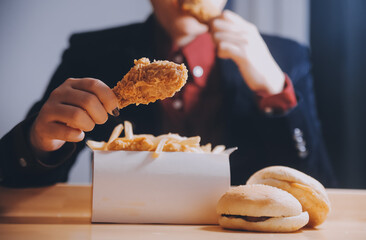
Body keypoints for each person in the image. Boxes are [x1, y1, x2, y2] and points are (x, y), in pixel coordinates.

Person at [0, 0, 336, 187]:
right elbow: (17, 178)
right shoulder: (93, 52)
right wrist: (39, 140)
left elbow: (321, 185)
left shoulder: (286, 56)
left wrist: (274, 89)